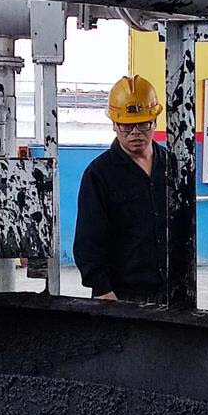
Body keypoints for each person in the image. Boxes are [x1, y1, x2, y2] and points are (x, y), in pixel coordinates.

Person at [74, 75, 169, 303]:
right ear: (114, 125)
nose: (136, 132)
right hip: (120, 294)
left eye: (144, 124)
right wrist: (102, 289)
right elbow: (88, 240)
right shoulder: (99, 174)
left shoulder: (173, 166)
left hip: (170, 291)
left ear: (155, 121)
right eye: (127, 126)